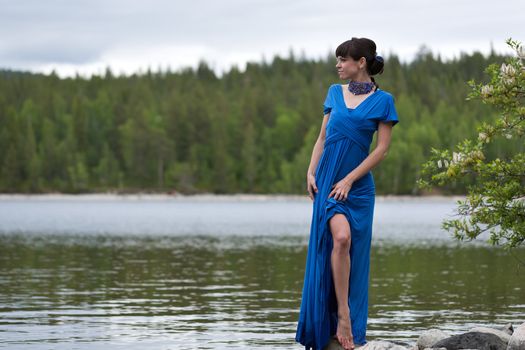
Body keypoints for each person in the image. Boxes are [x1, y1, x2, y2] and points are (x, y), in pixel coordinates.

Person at [295, 37, 399, 350]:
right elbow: (322, 137)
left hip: (358, 188)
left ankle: (349, 320)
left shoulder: (384, 101)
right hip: (328, 182)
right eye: (338, 60)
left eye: (344, 59)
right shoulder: (333, 93)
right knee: (339, 239)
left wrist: (351, 180)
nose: (339, 65)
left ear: (361, 63)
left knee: (354, 251)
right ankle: (341, 317)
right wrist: (311, 171)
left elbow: (381, 150)